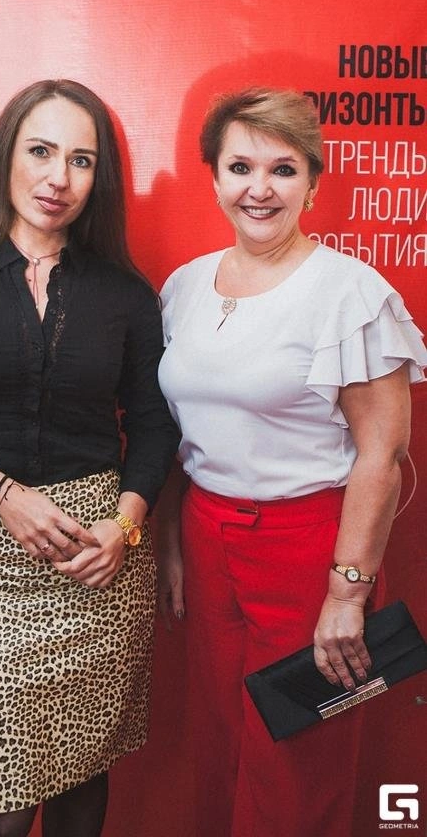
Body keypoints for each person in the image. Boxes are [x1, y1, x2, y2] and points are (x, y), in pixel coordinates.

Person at [0, 79, 179, 837]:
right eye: (41, 151)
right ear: (5, 156)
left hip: (100, 561)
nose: (58, 178)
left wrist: (126, 527)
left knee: (82, 785)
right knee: (4, 809)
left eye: (81, 160)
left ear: (98, 177)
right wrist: (3, 494)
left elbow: (153, 426)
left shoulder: (125, 293)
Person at [156, 87, 427, 837]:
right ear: (214, 177)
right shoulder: (183, 287)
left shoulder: (350, 292)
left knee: (300, 761)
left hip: (311, 552)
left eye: (282, 169)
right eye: (240, 167)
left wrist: (347, 595)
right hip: (207, 538)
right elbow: (177, 430)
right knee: (220, 745)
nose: (260, 188)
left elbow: (383, 454)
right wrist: (173, 540)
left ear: (311, 182)